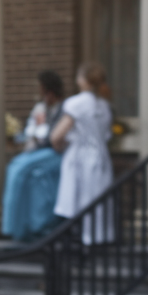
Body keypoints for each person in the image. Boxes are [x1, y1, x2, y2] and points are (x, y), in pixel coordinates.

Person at [51, 62, 116, 244]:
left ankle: (79, 244)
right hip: (101, 157)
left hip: (79, 157)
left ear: (84, 80)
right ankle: (97, 241)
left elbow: (57, 135)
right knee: (96, 203)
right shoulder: (104, 105)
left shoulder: (76, 103)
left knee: (76, 201)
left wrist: (60, 146)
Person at [1, 70, 66, 242]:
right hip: (39, 151)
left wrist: (40, 137)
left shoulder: (64, 109)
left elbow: (55, 137)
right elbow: (30, 131)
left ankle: (29, 225)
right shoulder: (41, 108)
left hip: (55, 152)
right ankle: (20, 227)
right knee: (20, 169)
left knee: (20, 169)